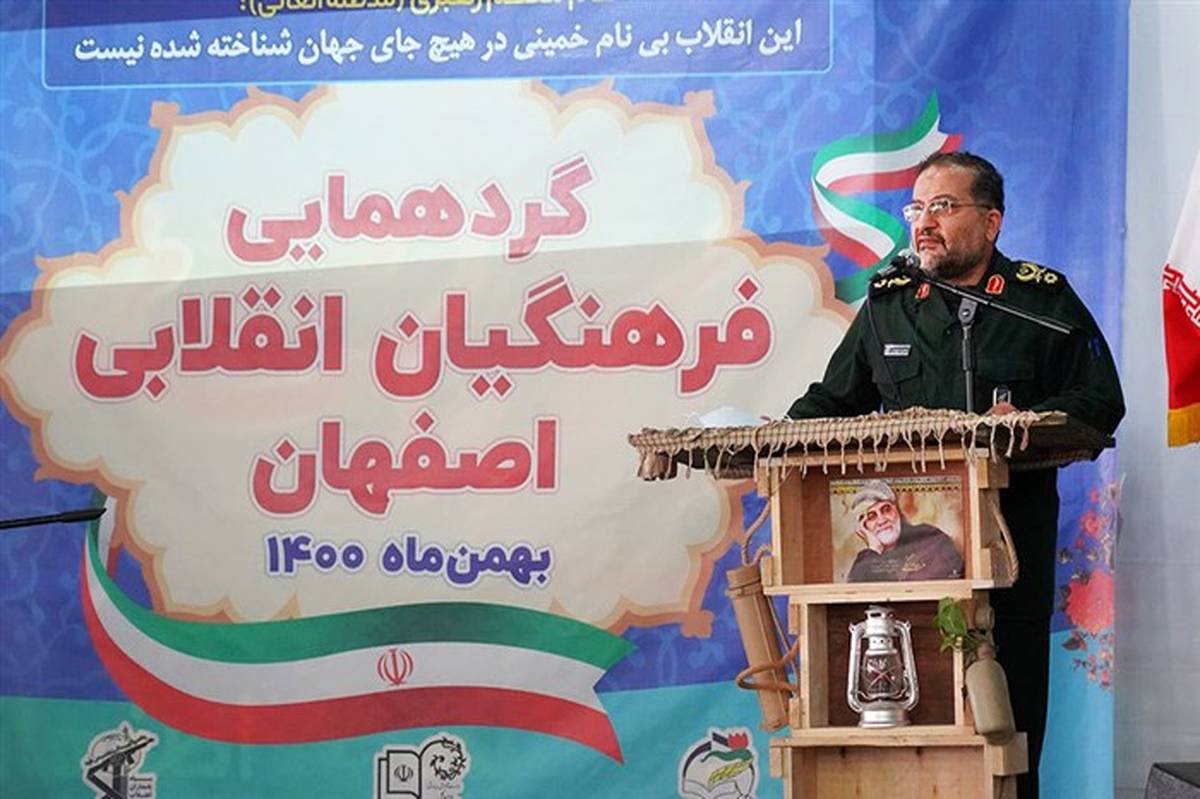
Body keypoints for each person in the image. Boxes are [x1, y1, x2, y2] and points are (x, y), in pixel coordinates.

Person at [786, 151, 1124, 799]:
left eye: (943, 206)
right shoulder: (890, 303)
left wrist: (1031, 421)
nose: (924, 223)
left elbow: (1100, 399)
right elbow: (833, 401)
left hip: (1009, 547)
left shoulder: (1039, 301)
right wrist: (777, 440)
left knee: (1008, 724)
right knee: (916, 713)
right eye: (917, 208)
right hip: (905, 570)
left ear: (991, 222)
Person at [844, 480, 963, 583]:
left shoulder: (929, 538)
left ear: (897, 510)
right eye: (871, 516)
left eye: (886, 510)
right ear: (864, 527)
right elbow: (857, 592)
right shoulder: (867, 559)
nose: (882, 520)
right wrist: (874, 550)